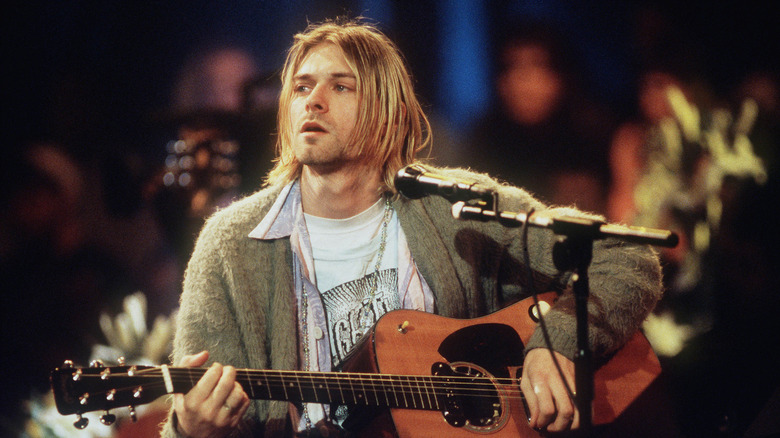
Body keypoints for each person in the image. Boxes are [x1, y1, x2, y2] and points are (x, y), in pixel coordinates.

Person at [162, 18, 663, 438]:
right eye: (301, 86)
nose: (312, 101)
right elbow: (191, 412)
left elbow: (626, 256)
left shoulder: (454, 209)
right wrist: (189, 428)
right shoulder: (230, 245)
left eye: (340, 86)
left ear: (389, 110)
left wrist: (557, 343)